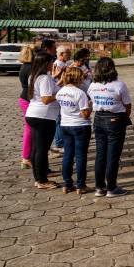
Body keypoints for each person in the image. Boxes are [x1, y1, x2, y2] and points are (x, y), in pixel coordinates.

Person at [88, 57, 132, 198]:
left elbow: (91, 100)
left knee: (101, 155)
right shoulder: (119, 85)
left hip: (99, 119)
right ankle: (112, 188)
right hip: (115, 120)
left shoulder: (93, 85)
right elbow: (128, 106)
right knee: (112, 156)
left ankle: (100, 187)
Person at [24, 51, 60, 190]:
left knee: (37, 148)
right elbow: (46, 99)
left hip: (34, 114)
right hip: (43, 117)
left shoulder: (33, 76)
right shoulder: (44, 78)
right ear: (45, 63)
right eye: (51, 61)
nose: (53, 64)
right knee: (41, 149)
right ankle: (41, 180)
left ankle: (39, 177)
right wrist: (61, 94)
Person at [56, 67, 92, 195]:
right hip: (80, 126)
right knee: (81, 156)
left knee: (68, 155)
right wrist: (91, 105)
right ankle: (80, 185)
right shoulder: (80, 93)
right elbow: (85, 114)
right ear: (78, 78)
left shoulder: (60, 92)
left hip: (65, 125)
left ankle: (67, 183)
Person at [17, 45, 35, 169]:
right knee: (30, 129)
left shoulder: (23, 67)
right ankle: (26, 157)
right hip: (29, 98)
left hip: (24, 97)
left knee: (29, 128)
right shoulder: (32, 68)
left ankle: (27, 156)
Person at [51, 46, 72, 150]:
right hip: (59, 93)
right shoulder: (58, 64)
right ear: (61, 54)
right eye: (68, 53)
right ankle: (59, 142)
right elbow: (61, 79)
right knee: (59, 119)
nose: (70, 54)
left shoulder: (64, 63)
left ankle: (61, 139)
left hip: (62, 93)